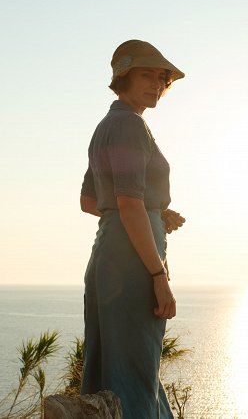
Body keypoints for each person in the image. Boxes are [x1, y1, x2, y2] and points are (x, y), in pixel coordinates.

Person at [79, 39, 186, 419]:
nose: (157, 84)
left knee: (112, 370)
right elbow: (126, 202)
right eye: (147, 75)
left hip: (112, 253)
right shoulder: (127, 124)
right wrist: (158, 274)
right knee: (136, 373)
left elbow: (92, 201)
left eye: (162, 78)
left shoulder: (110, 124)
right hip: (132, 264)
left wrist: (155, 212)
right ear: (123, 76)